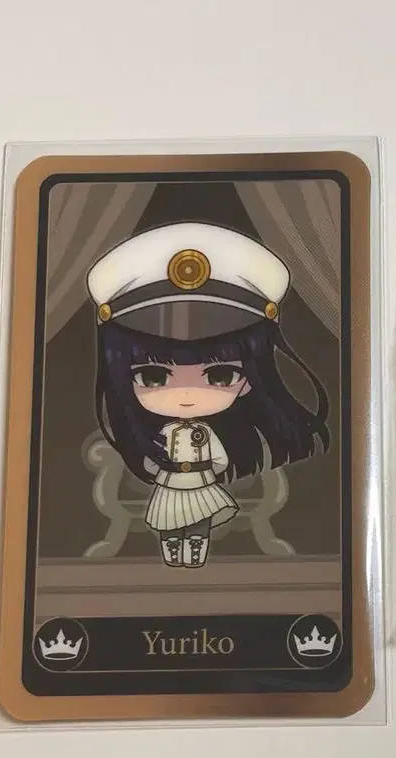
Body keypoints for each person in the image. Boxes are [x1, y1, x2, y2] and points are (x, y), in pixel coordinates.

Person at [87, 221, 329, 568]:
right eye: (154, 377)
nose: (186, 393)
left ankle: (195, 554)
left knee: (198, 524)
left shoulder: (205, 433)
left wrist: (212, 466)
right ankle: (174, 556)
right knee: (171, 525)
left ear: (249, 381)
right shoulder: (161, 433)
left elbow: (219, 459)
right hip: (172, 484)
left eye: (220, 375)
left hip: (198, 482)